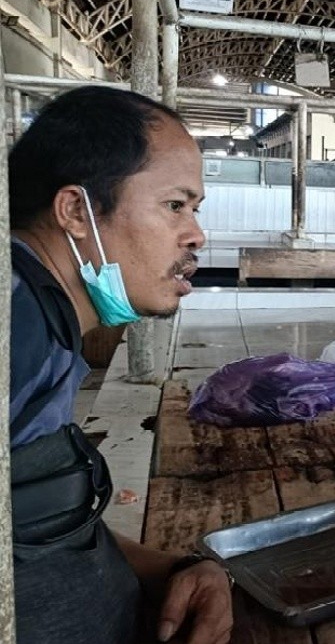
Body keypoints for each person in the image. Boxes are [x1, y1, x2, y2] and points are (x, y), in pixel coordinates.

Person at [9, 86, 233, 643]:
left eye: (195, 209)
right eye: (175, 205)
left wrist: (174, 569)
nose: (196, 234)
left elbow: (38, 531)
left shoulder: (48, 323)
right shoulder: (16, 320)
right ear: (75, 212)